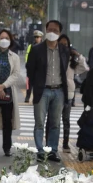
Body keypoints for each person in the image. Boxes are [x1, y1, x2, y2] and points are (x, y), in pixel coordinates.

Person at [25, 19, 70, 161]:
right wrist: (34, 86)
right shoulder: (37, 49)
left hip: (59, 91)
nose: (52, 32)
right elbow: (30, 69)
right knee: (39, 122)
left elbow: (66, 68)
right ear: (45, 30)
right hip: (42, 90)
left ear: (60, 32)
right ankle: (40, 151)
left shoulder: (64, 50)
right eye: (50, 29)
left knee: (55, 123)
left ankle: (52, 151)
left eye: (55, 30)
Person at [58, 33, 89, 152]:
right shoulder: (54, 58)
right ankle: (51, 144)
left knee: (66, 119)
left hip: (69, 93)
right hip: (55, 90)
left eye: (66, 44)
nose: (63, 46)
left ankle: (65, 143)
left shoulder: (72, 60)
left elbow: (84, 68)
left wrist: (78, 55)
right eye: (61, 44)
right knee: (53, 121)